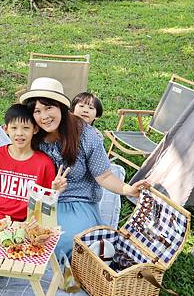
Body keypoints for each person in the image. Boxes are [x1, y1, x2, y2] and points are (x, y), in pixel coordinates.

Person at [20, 77, 149, 258]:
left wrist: (128, 189)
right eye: (37, 111)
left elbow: (104, 176)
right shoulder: (32, 134)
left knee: (62, 242)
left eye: (49, 108)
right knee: (25, 237)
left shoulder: (85, 135)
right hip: (44, 200)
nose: (44, 116)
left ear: (61, 107)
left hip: (77, 202)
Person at [0, 104, 63, 222]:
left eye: (25, 128)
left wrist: (54, 191)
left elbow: (45, 203)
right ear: (6, 129)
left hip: (16, 224)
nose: (19, 133)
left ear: (35, 129)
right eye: (14, 128)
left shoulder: (44, 164)